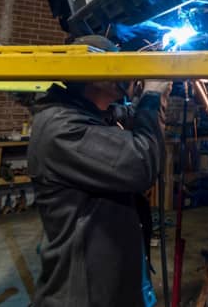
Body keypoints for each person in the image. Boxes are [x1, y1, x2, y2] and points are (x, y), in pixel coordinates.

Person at [27, 35, 170, 306]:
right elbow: (142, 163)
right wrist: (151, 96)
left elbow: (125, 118)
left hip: (110, 278)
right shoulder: (64, 128)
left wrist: (145, 99)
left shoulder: (87, 114)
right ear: (91, 74)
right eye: (114, 63)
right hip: (84, 294)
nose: (122, 72)